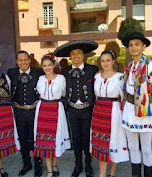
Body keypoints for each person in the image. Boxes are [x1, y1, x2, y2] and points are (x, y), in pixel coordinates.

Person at [120, 32, 152, 177]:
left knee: (146, 149)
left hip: (144, 111)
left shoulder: (151, 65)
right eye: (131, 45)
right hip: (129, 111)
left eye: (137, 44)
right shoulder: (129, 67)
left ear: (143, 47)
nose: (133, 48)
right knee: (133, 147)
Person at [55, 40, 99, 177]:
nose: (76, 56)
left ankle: (88, 165)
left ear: (83, 55)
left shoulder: (93, 70)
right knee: (76, 139)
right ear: (70, 57)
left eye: (79, 53)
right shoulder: (65, 71)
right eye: (73, 54)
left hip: (87, 110)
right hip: (72, 110)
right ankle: (78, 164)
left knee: (87, 138)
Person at [91, 50, 129, 177]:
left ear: (113, 61)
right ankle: (102, 175)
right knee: (101, 143)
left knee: (113, 143)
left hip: (113, 111)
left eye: (108, 60)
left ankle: (111, 174)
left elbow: (124, 97)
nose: (105, 63)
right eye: (102, 61)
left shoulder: (120, 77)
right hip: (98, 112)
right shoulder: (96, 77)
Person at [7, 50, 44, 177]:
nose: (23, 62)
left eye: (25, 59)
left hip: (34, 111)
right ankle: (26, 164)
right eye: (20, 60)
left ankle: (38, 165)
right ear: (17, 62)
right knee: (22, 139)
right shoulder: (11, 73)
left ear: (29, 60)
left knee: (35, 139)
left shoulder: (38, 72)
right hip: (18, 111)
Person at [33, 54, 71, 177]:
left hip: (56, 109)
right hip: (43, 110)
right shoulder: (40, 79)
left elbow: (64, 93)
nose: (47, 67)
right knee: (45, 141)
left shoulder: (61, 78)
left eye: (49, 65)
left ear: (54, 65)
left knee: (55, 139)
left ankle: (54, 165)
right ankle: (49, 169)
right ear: (42, 67)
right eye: (44, 65)